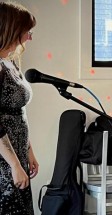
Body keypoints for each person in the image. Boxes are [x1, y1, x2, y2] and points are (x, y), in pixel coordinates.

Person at [0, 2, 39, 214]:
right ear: (11, 29)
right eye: (27, 31)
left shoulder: (10, 63)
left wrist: (28, 151)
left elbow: (18, 113)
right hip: (4, 162)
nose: (30, 37)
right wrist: (14, 164)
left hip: (18, 155)